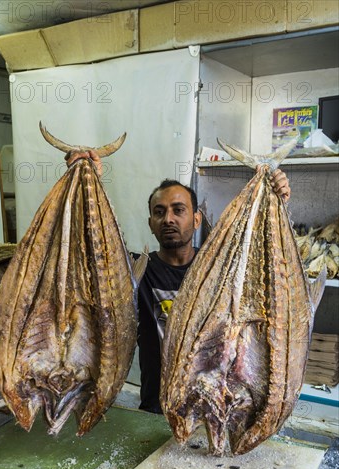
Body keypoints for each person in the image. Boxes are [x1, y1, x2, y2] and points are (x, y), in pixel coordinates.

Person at [65, 151, 291, 414]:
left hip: (213, 408)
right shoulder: (136, 271)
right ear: (151, 224)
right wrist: (88, 181)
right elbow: (91, 252)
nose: (168, 219)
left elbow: (265, 264)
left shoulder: (221, 271)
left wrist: (280, 202)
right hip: (156, 408)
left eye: (178, 210)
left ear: (196, 220)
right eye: (159, 212)